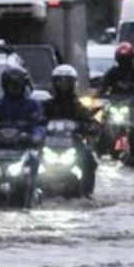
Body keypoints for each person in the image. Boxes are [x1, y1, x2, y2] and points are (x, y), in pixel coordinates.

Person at [43, 64, 98, 196]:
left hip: (74, 143)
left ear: (73, 84)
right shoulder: (47, 105)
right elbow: (36, 119)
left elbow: (90, 121)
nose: (63, 86)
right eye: (59, 82)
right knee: (31, 161)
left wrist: (90, 127)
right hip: (48, 144)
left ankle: (87, 192)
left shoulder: (78, 106)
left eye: (67, 82)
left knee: (90, 162)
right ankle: (29, 189)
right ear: (54, 83)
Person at [0, 65, 46, 175]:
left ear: (23, 86)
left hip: (25, 148)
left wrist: (36, 136)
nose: (14, 89)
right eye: (11, 85)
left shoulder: (32, 105)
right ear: (5, 86)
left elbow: (40, 123)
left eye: (17, 85)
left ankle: (33, 188)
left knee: (37, 166)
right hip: (0, 149)